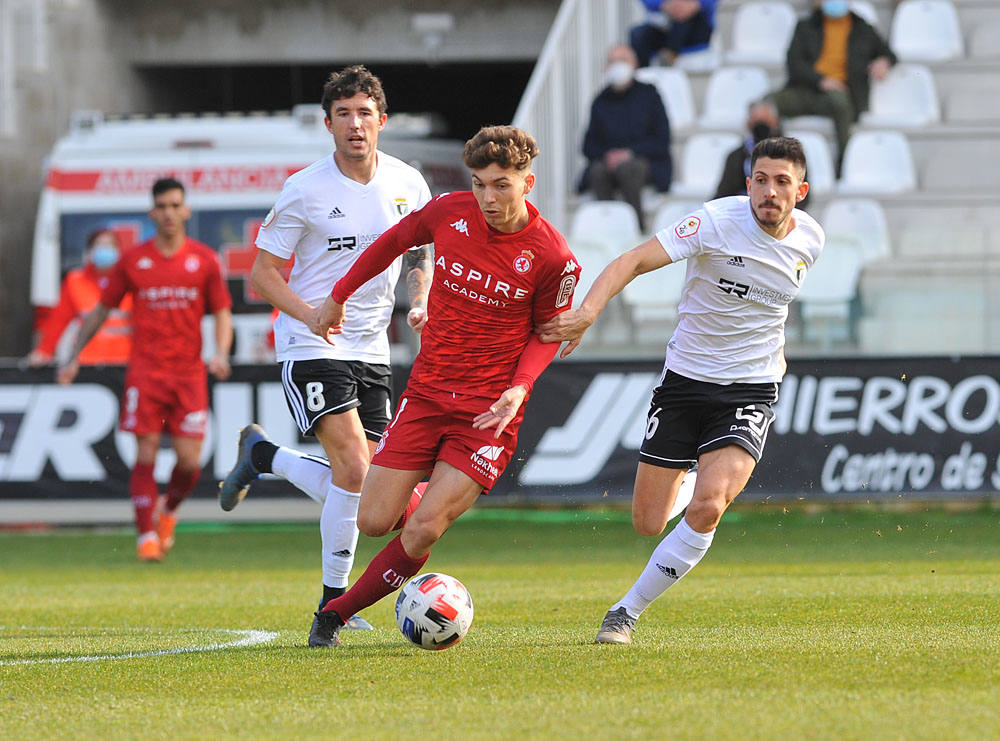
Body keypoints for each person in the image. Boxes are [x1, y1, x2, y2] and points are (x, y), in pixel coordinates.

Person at [537, 137, 824, 644]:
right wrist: (588, 311)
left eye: (782, 182)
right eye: (760, 179)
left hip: (751, 388)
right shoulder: (715, 222)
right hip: (685, 381)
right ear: (748, 183)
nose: (769, 192)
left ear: (800, 191)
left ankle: (624, 613)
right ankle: (693, 479)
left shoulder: (811, 241)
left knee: (710, 506)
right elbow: (632, 260)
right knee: (649, 522)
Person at [304, 125, 581, 648]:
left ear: (528, 183)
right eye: (479, 184)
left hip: (488, 413)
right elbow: (391, 243)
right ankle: (428, 491)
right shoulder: (450, 211)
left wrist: (519, 388)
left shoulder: (551, 256)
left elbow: (547, 335)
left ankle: (333, 616)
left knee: (424, 530)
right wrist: (338, 295)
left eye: (501, 185)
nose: (488, 198)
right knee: (373, 520)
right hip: (428, 395)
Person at [216, 65, 432, 644]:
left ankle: (264, 457)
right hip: (311, 341)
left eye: (365, 113)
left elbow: (421, 257)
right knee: (356, 469)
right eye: (344, 114)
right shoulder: (305, 189)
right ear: (329, 124)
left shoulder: (410, 183)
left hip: (374, 348)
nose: (356, 125)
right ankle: (331, 601)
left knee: (380, 490)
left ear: (382, 121)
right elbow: (262, 276)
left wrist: (420, 300)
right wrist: (308, 312)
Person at [58, 177, 233, 562]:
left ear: (185, 210)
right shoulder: (133, 260)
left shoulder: (203, 260)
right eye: (162, 206)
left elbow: (222, 311)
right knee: (146, 454)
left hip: (188, 375)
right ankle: (144, 537)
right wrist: (73, 356)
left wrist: (220, 352)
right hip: (145, 373)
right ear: (153, 211)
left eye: (175, 205)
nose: (169, 212)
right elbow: (101, 309)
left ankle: (167, 511)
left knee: (189, 461)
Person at [767, 0, 895, 174]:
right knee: (765, 105)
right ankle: (770, 159)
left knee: (840, 102)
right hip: (805, 90)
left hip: (841, 95)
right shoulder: (805, 27)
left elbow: (888, 52)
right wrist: (821, 80)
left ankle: (844, 164)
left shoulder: (862, 29)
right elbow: (794, 64)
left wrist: (884, 61)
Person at [581, 44, 672, 233]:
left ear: (635, 64)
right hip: (608, 164)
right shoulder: (600, 100)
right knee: (597, 172)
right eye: (613, 61)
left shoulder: (650, 95)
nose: (617, 66)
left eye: (622, 61)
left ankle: (636, 231)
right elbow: (588, 145)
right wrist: (609, 156)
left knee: (629, 169)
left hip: (646, 162)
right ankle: (607, 229)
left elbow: (662, 139)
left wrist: (629, 153)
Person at [27, 228, 131, 367]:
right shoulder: (76, 281)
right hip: (86, 361)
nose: (105, 250)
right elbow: (58, 321)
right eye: (99, 245)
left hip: (124, 362)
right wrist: (44, 352)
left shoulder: (129, 281)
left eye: (109, 246)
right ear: (89, 251)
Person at [714, 101, 811, 210]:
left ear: (775, 122)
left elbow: (801, 198)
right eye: (756, 121)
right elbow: (722, 196)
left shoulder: (792, 156)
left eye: (766, 121)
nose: (761, 126)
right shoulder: (735, 157)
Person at [629, 0, 718, 67]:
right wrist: (664, 4)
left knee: (682, 19)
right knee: (637, 33)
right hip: (665, 25)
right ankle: (642, 73)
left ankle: (670, 57)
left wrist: (694, 4)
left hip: (696, 27)